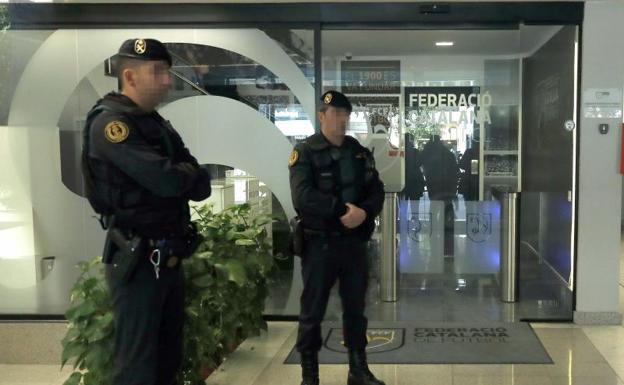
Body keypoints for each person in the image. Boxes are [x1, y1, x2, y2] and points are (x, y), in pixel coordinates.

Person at [81, 38, 212, 385]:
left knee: (168, 359)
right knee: (138, 367)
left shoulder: (155, 124)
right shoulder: (111, 124)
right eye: (158, 72)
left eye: (167, 71)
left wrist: (178, 174)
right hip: (138, 261)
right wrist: (179, 174)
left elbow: (202, 183)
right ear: (130, 76)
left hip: (167, 258)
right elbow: (169, 180)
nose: (167, 80)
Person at [289, 90, 385, 385]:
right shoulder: (304, 152)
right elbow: (302, 196)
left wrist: (365, 213)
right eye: (336, 114)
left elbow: (376, 189)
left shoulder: (358, 152)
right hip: (320, 244)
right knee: (312, 312)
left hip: (353, 244)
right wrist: (342, 209)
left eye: (346, 114)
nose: (342, 120)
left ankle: (358, 370)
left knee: (355, 309)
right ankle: (310, 375)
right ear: (321, 116)